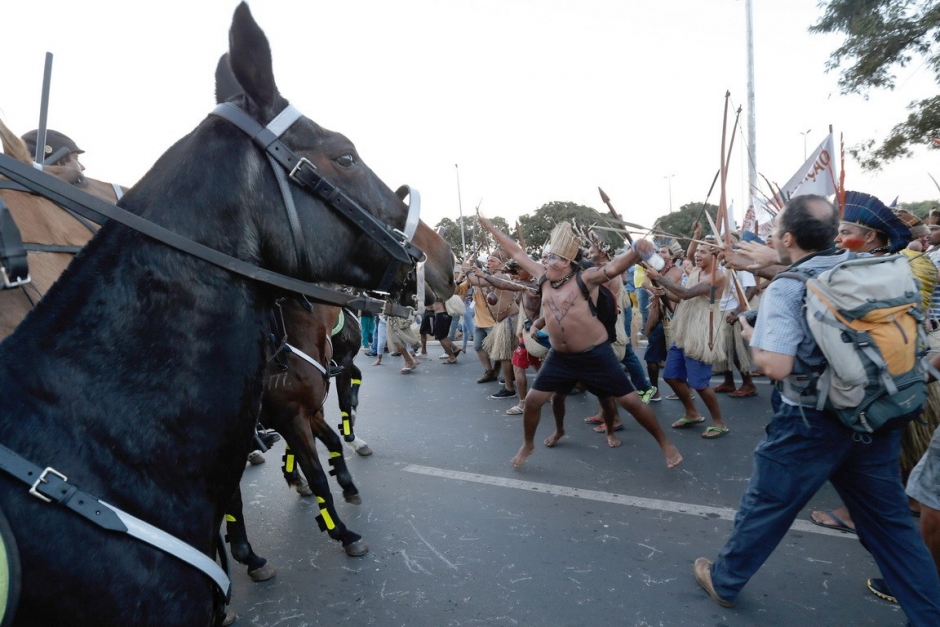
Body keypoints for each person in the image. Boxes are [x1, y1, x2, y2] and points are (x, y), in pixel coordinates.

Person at [693, 194, 940, 626]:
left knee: (766, 504)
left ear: (787, 237)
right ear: (833, 234)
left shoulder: (788, 288)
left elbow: (776, 365)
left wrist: (754, 333)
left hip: (811, 421)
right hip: (875, 411)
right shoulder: (865, 268)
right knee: (891, 525)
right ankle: (929, 614)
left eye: (774, 234)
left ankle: (725, 580)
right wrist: (769, 261)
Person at [478, 216, 682, 470]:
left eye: (551, 257)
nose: (545, 260)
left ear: (565, 262)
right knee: (532, 401)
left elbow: (614, 268)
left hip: (595, 354)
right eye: (546, 256)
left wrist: (636, 250)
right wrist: (490, 228)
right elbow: (517, 253)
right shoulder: (543, 276)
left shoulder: (586, 278)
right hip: (560, 357)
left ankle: (665, 443)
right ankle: (528, 443)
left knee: (630, 402)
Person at [646, 238, 729, 439]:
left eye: (703, 252)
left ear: (715, 255)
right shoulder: (695, 272)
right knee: (671, 376)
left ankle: (719, 423)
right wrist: (662, 290)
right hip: (684, 330)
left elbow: (685, 293)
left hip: (701, 332)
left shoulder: (716, 276)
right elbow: (678, 297)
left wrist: (659, 277)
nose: (697, 255)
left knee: (699, 383)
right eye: (697, 251)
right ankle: (692, 412)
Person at [642, 241, 685, 403]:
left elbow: (667, 289)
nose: (660, 254)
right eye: (658, 251)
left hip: (668, 317)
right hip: (658, 314)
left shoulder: (675, 271)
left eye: (664, 252)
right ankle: (657, 391)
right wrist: (652, 288)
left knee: (658, 358)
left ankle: (678, 390)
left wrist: (654, 285)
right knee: (657, 358)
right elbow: (650, 285)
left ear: (672, 256)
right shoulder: (659, 270)